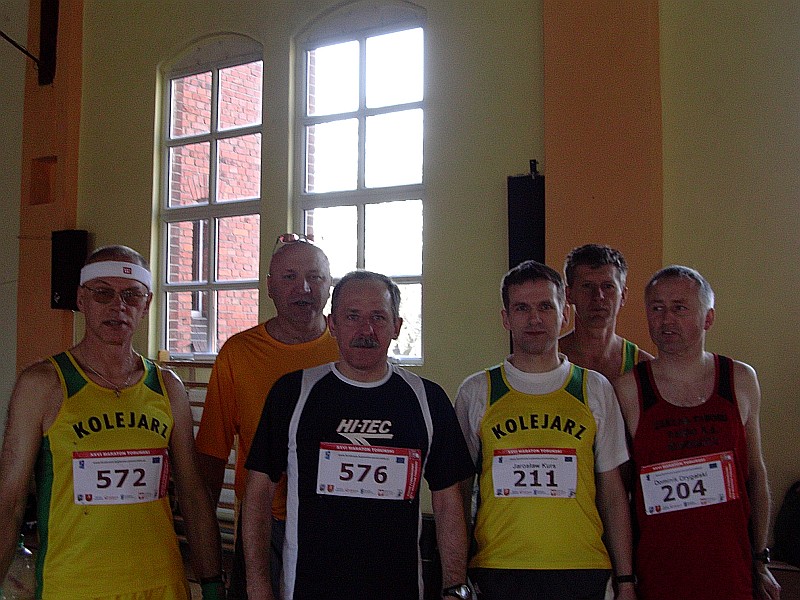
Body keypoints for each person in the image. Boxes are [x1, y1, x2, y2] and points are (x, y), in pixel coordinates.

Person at [0, 245, 223, 599]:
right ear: (81, 299)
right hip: (74, 586)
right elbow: (9, 502)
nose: (118, 306)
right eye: (103, 293)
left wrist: (212, 584)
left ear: (146, 305)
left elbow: (193, 494)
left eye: (131, 295)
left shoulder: (167, 386)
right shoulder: (43, 384)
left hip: (162, 584)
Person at [242, 270, 474, 600]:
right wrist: (257, 585)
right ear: (332, 324)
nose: (366, 330)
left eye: (378, 317)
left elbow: (448, 502)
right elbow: (258, 493)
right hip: (307, 590)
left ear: (397, 326)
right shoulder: (293, 393)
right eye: (352, 317)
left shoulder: (427, 399)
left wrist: (455, 586)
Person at [455, 260, 636, 600]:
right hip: (498, 569)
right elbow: (459, 493)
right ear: (506, 318)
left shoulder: (594, 388)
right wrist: (454, 577)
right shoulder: (477, 391)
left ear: (565, 313)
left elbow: (613, 493)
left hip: (582, 569)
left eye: (545, 307)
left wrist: (625, 579)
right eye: (522, 308)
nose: (534, 319)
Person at [613, 266, 781, 600]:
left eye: (679, 308)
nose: (666, 319)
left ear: (708, 318)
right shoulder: (628, 389)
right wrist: (625, 579)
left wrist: (761, 560)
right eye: (657, 308)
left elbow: (755, 473)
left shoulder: (740, 379)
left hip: (731, 572)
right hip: (658, 575)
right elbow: (618, 491)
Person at [195, 235, 339, 598]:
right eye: (289, 277)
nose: (303, 288)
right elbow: (212, 455)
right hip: (264, 525)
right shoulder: (238, 353)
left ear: (329, 286)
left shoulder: (348, 349)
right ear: (270, 286)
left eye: (315, 277)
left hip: (336, 519)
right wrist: (206, 549)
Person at [559, 244, 653, 381]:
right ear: (568, 295)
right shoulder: (548, 360)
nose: (598, 296)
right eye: (587, 286)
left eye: (608, 286)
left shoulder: (644, 368)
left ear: (623, 296)